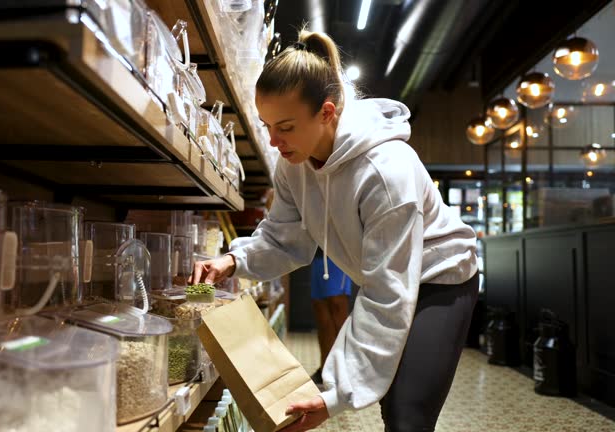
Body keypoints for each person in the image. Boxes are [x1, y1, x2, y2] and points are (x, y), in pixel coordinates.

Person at [189, 29, 478, 432]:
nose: (273, 141)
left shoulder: (386, 171)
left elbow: (386, 295)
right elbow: (284, 237)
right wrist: (233, 260)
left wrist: (335, 396)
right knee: (393, 405)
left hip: (441, 278)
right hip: (383, 275)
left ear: (327, 112)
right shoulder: (293, 164)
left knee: (406, 412)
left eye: (285, 126)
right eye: (267, 125)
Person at [309, 251, 351, 386]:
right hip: (317, 255)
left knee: (337, 309)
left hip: (338, 255)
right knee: (321, 313)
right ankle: (324, 369)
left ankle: (345, 371)